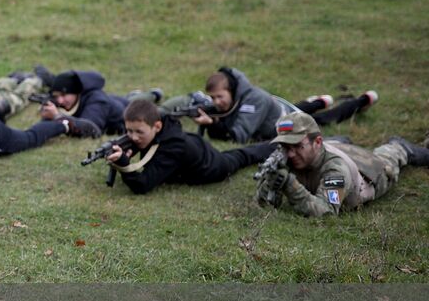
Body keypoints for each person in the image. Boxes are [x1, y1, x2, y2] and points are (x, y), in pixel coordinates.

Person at [254, 110, 428, 217]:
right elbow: (263, 204)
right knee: (333, 147)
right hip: (331, 148)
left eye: (297, 146)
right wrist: (271, 182)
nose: (290, 153)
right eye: (285, 146)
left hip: (366, 173)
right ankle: (340, 142)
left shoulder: (335, 170)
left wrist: (290, 186)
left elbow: (327, 212)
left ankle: (400, 147)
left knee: (388, 156)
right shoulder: (289, 156)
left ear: (317, 142)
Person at [105, 97, 275, 195]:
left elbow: (142, 185)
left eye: (139, 132)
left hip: (212, 166)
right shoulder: (158, 128)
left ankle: (276, 145)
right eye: (129, 131)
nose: (133, 137)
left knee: (242, 156)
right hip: (193, 145)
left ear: (157, 126)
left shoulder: (172, 148)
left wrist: (125, 164)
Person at [182, 67, 375, 144]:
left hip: (287, 122)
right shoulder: (236, 98)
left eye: (219, 97)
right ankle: (318, 102)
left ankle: (360, 101)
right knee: (298, 106)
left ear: (231, 89)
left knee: (323, 119)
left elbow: (238, 136)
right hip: (275, 111)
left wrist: (210, 123)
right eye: (212, 98)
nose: (216, 102)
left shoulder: (254, 100)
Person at [34, 69, 129, 135]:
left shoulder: (97, 101)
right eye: (56, 96)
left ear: (76, 93)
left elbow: (93, 130)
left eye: (64, 95)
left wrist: (57, 116)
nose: (60, 100)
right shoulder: (68, 101)